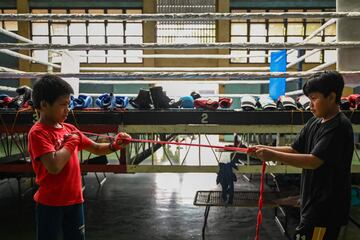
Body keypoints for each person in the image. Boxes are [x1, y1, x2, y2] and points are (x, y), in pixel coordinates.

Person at [249, 71, 354, 240]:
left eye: (314, 98)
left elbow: (314, 161)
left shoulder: (339, 127)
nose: (310, 105)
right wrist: (265, 149)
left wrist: (271, 155)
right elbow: (295, 149)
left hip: (327, 207)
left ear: (332, 97)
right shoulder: (315, 121)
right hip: (311, 201)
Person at [28, 74, 131, 240]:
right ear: (44, 105)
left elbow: (97, 148)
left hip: (75, 200)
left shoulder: (69, 128)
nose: (67, 109)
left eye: (68, 104)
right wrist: (70, 143)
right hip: (50, 204)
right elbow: (54, 166)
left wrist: (116, 145)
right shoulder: (38, 133)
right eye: (63, 105)